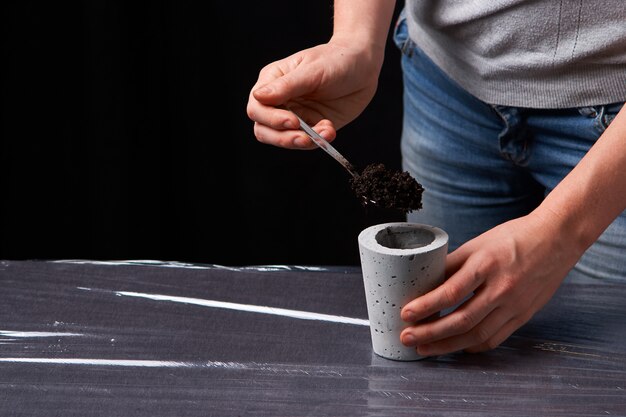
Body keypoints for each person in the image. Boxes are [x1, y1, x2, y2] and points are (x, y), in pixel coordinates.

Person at [246, 1, 626, 356]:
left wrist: (565, 230)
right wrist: (355, 38)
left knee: (594, 367)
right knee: (448, 341)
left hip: (613, 125)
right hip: (444, 80)